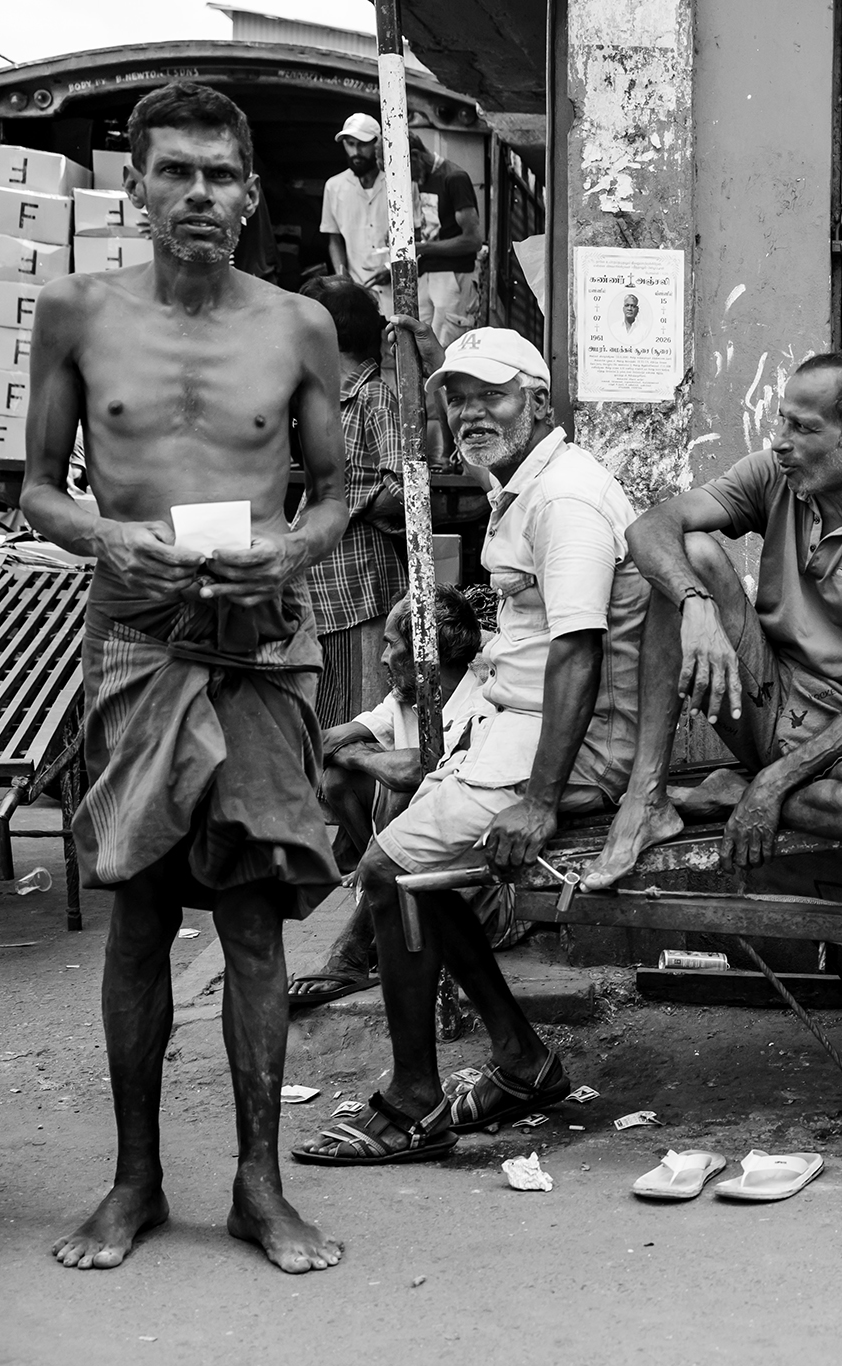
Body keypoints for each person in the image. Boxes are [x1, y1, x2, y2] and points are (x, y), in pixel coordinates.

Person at [21, 82, 349, 1273]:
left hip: (260, 641)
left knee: (256, 921)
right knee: (141, 913)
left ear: (250, 192)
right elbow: (38, 487)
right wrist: (109, 536)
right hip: (138, 638)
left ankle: (262, 1185)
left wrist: (289, 551)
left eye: (219, 175)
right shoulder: (78, 312)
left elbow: (339, 489)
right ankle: (135, 1179)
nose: (199, 195)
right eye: (176, 173)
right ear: (139, 188)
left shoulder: (297, 325)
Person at [293, 327, 647, 1164]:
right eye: (457, 397)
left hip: (560, 743)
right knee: (413, 875)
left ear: (538, 401)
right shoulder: (520, 485)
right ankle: (522, 1062)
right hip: (513, 728)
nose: (470, 412)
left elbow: (577, 653)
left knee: (390, 872)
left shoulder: (563, 498)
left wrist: (540, 797)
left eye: (491, 395)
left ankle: (416, 1100)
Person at [582, 353, 842, 888]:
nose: (780, 440)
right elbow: (649, 529)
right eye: (781, 420)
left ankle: (738, 786)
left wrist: (770, 785)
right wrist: (696, 606)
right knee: (690, 555)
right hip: (763, 694)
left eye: (803, 428)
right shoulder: (774, 474)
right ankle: (646, 800)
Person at [290, 587, 488, 1008]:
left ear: (424, 652)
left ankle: (355, 950)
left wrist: (364, 755)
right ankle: (380, 903)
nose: (382, 657)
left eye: (391, 645)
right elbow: (325, 743)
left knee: (408, 792)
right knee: (340, 777)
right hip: (418, 862)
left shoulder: (478, 704)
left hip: (470, 885)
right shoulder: (405, 698)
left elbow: (421, 768)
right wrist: (364, 756)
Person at [296, 277, 406, 728]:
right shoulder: (325, 401)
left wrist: (338, 509)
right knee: (325, 709)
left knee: (355, 715)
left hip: (359, 588)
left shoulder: (373, 396)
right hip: (327, 587)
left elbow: (404, 490)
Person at [408, 133, 483, 344]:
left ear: (415, 156)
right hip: (427, 275)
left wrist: (423, 248)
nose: (408, 178)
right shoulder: (422, 177)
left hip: (453, 275)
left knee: (448, 349)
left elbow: (473, 241)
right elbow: (438, 229)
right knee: (421, 347)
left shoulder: (454, 177)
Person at [319, 113, 389, 304]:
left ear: (378, 144)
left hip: (400, 288)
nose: (356, 151)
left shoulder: (398, 183)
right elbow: (333, 238)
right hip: (359, 290)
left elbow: (419, 233)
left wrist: (393, 268)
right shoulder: (334, 186)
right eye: (350, 144)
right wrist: (342, 278)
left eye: (363, 144)